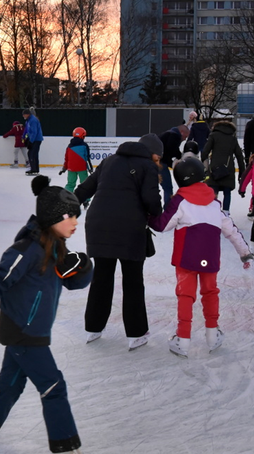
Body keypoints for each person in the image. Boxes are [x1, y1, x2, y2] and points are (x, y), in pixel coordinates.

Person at [0, 175, 92, 454]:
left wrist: (84, 267)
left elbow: (72, 282)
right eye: (69, 216)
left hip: (33, 331)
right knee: (53, 386)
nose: (75, 222)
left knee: (10, 385)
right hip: (23, 332)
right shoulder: (26, 250)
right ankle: (66, 447)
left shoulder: (54, 247)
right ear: (52, 217)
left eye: (76, 216)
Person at [149, 156, 252, 357]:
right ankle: (212, 336)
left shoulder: (180, 201)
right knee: (210, 292)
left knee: (186, 296)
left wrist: (146, 216)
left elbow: (163, 225)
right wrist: (245, 253)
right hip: (210, 258)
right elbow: (231, 230)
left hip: (186, 258)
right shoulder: (214, 204)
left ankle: (183, 339)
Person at [74, 133, 162, 350]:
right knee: (133, 280)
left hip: (98, 225)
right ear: (153, 154)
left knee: (102, 277)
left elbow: (84, 189)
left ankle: (93, 328)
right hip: (129, 228)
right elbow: (151, 201)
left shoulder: (109, 160)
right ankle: (136, 333)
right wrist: (158, 213)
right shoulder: (147, 165)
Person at [201, 118, 245, 212]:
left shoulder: (213, 135)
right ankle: (226, 213)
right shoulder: (232, 137)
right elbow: (239, 155)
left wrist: (204, 165)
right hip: (228, 169)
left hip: (214, 168)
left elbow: (205, 152)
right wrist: (242, 171)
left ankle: (213, 212)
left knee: (214, 191)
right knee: (227, 192)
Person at [157, 124, 190, 207]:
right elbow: (171, 149)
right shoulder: (175, 136)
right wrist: (180, 156)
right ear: (182, 132)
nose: (185, 139)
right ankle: (168, 208)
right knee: (168, 187)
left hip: (154, 162)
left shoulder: (167, 134)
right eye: (185, 136)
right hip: (160, 164)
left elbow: (166, 151)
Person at [60, 127, 93, 192]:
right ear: (82, 136)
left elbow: (66, 159)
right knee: (84, 184)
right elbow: (87, 158)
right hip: (82, 168)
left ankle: (66, 197)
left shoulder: (69, 146)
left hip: (71, 168)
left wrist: (64, 168)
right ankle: (86, 200)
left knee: (70, 184)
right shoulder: (84, 145)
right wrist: (90, 168)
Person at [22, 108, 44, 175]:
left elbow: (34, 132)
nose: (23, 116)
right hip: (33, 139)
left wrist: (31, 141)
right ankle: (34, 168)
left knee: (32, 154)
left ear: (28, 114)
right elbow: (28, 131)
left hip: (36, 139)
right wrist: (25, 138)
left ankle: (34, 169)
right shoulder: (28, 121)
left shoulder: (33, 120)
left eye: (24, 115)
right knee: (31, 154)